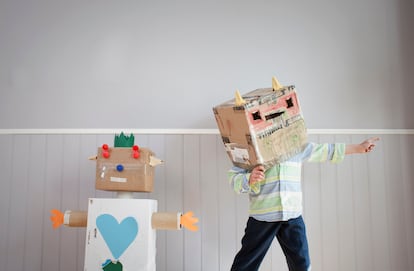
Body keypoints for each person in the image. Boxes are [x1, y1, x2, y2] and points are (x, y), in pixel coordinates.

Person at [229, 137, 380, 271]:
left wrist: (358, 148)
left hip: (292, 216)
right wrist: (249, 178)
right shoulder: (250, 151)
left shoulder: (296, 147)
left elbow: (326, 150)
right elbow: (234, 179)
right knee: (245, 263)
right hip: (262, 217)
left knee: (302, 264)